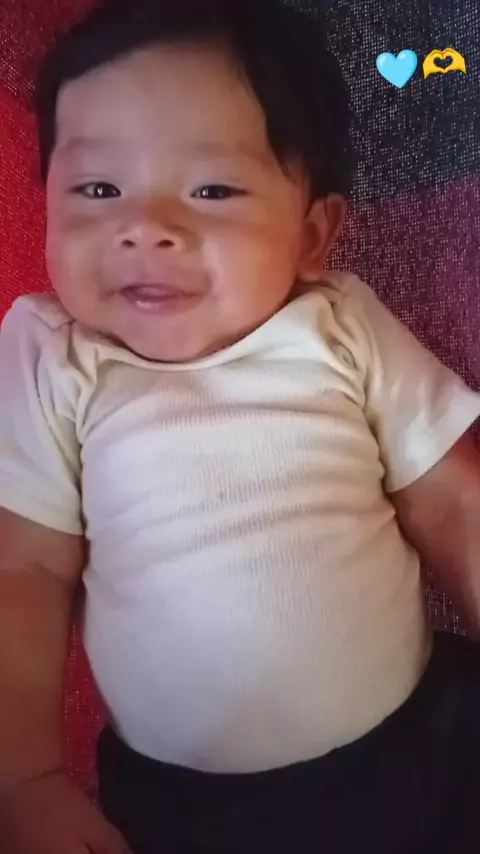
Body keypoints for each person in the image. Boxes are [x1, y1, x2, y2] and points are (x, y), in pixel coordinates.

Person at [0, 0, 480, 851]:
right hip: (183, 808)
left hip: (426, 743)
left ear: (313, 234)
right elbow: (25, 569)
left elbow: (451, 502)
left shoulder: (338, 326)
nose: (146, 228)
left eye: (212, 190)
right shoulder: (54, 360)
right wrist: (26, 779)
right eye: (98, 189)